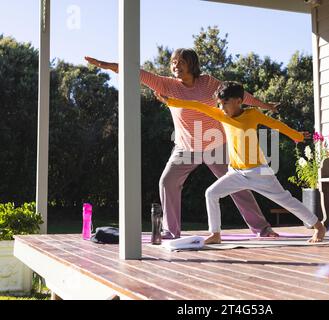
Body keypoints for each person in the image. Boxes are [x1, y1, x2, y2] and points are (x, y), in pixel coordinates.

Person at [85, 49, 278, 239]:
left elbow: (238, 94)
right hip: (186, 148)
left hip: (216, 146)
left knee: (238, 185)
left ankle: (262, 228)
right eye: (173, 62)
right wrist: (103, 65)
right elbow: (135, 72)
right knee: (167, 182)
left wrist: (265, 105)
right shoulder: (166, 85)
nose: (176, 65)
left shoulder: (209, 83)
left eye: (181, 62)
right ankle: (171, 230)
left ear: (192, 64)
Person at [157, 81, 327, 244]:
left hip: (259, 172)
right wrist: (170, 101)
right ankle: (215, 234)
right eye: (219, 104)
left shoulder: (252, 114)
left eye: (225, 103)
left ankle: (318, 226)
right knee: (211, 193)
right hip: (236, 172)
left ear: (239, 101)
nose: (221, 108)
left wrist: (296, 135)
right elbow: (196, 105)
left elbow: (276, 124)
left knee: (285, 200)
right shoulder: (221, 114)